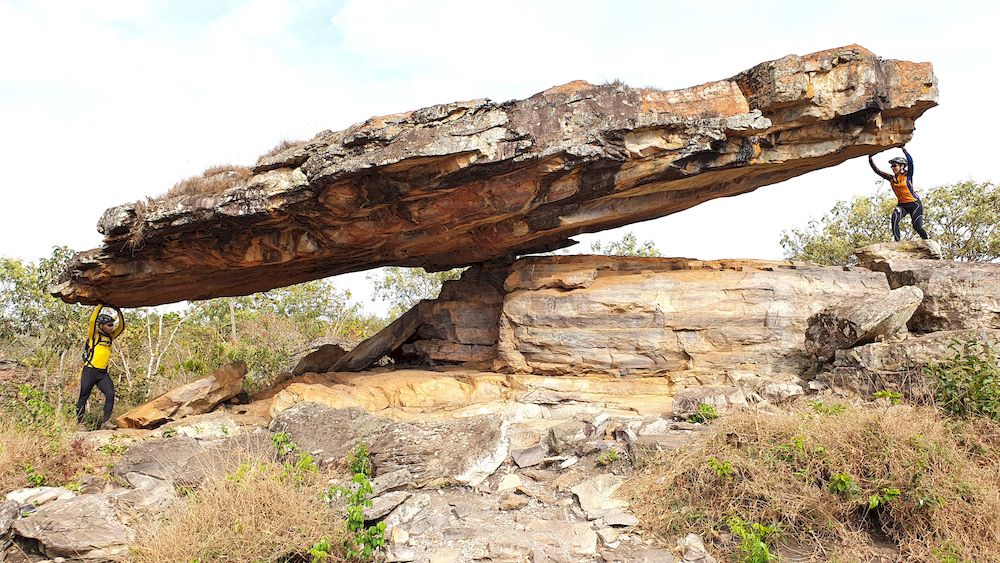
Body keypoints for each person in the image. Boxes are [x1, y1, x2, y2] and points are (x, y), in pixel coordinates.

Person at [77, 304, 125, 429]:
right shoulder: (94, 336)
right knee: (83, 397)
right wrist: (100, 305)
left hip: (102, 373)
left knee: (110, 395)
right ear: (101, 326)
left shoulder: (110, 337)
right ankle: (79, 423)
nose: (111, 327)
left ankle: (106, 422)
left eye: (111, 325)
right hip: (90, 370)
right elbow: (92, 321)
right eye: (109, 325)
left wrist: (118, 311)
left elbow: (122, 327)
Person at [868, 145, 929, 242]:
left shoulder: (908, 175)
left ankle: (927, 241)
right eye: (892, 166)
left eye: (895, 165)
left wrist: (904, 149)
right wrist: (870, 159)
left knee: (917, 227)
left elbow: (911, 162)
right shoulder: (891, 178)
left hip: (914, 204)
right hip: (902, 205)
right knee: (894, 219)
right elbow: (877, 171)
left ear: (902, 166)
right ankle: (898, 243)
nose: (893, 168)